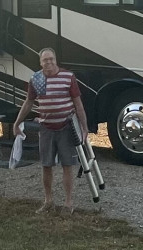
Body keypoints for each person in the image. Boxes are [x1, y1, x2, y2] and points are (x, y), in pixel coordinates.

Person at [13, 47, 89, 215]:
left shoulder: (68, 77)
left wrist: (84, 128)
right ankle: (48, 201)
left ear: (55, 60)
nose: (49, 62)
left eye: (51, 59)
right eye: (45, 60)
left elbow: (78, 104)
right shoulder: (36, 79)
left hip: (66, 127)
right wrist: (17, 123)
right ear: (40, 63)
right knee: (46, 165)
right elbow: (28, 102)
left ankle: (68, 203)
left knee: (67, 165)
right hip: (46, 128)